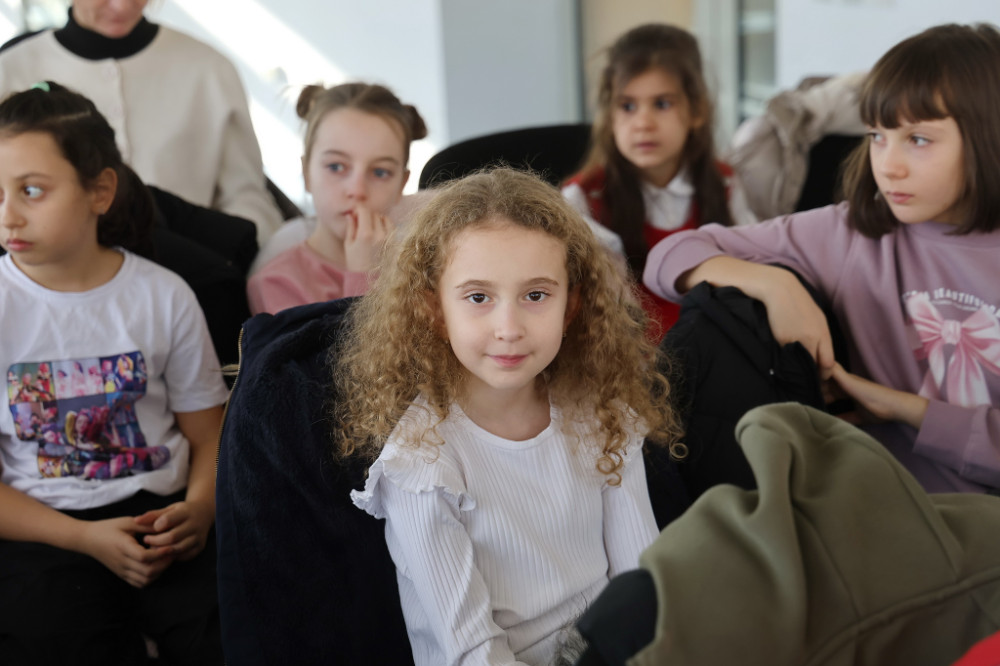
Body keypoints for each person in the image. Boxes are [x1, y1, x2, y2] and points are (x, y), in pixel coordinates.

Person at [340, 168, 683, 666]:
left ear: (571, 307)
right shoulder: (420, 464)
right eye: (478, 297)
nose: (509, 328)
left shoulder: (601, 414)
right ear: (435, 311)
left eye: (536, 295)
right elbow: (472, 651)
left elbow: (643, 586)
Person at [642, 23, 1000, 495]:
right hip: (868, 512)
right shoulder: (853, 233)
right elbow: (668, 256)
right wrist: (775, 285)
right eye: (877, 136)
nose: (888, 165)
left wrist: (904, 409)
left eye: (918, 139)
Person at [0, 82, 230, 664]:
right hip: (46, 529)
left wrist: (200, 511)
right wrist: (83, 537)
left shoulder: (163, 295)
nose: (8, 215)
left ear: (100, 191)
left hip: (164, 517)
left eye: (31, 190)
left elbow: (210, 435)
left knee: (227, 636)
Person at [0, 0, 283, 244]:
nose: (123, 5)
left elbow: (245, 197)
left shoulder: (209, 69)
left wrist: (233, 261)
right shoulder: (11, 70)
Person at [563, 23, 757, 338]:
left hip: (715, 344)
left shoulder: (725, 183)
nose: (643, 123)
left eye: (662, 104)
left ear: (697, 111)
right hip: (627, 352)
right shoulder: (582, 198)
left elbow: (752, 273)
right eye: (627, 106)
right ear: (610, 115)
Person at [246, 82, 427, 315]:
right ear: (307, 173)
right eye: (336, 167)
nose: (357, 190)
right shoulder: (277, 284)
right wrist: (365, 276)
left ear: (401, 184)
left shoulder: (425, 269)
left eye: (380, 172)